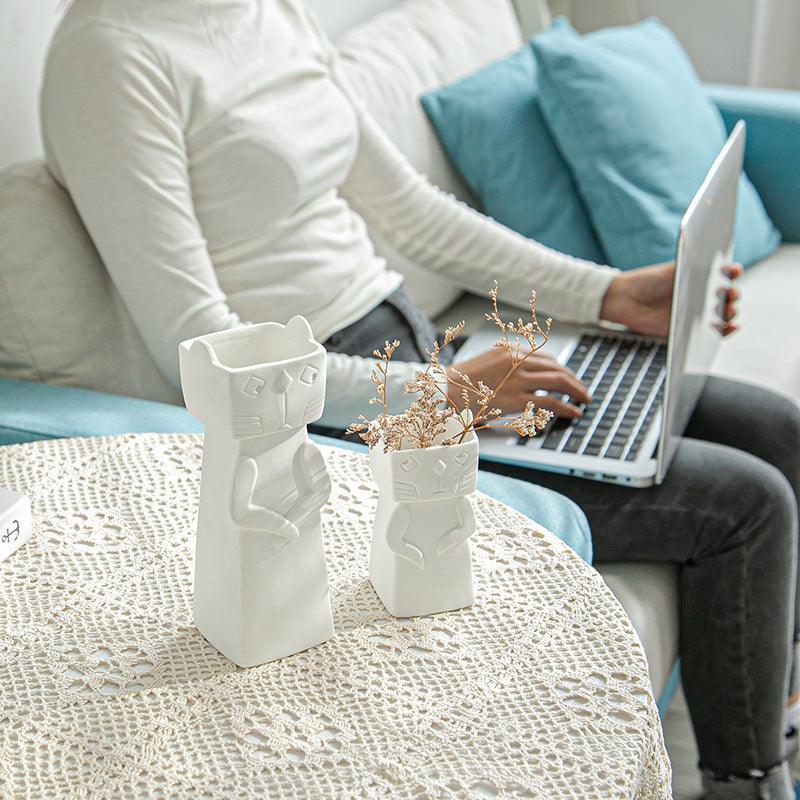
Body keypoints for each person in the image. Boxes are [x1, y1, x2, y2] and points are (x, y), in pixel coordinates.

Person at [40, 0, 800, 796]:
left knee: (772, 425)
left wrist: (607, 294)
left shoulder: (269, 13)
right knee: (747, 507)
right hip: (323, 417)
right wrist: (446, 393)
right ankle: (746, 780)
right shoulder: (109, 57)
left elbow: (411, 209)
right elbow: (198, 343)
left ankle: (763, 708)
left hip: (421, 353)